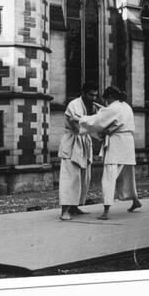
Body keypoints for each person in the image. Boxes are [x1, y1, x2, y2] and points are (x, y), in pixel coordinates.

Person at [78, 86, 142, 220]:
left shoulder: (113, 108)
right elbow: (113, 118)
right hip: (128, 143)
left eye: (106, 99)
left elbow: (98, 121)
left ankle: (106, 211)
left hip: (117, 144)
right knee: (128, 175)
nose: (105, 102)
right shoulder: (126, 106)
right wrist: (103, 110)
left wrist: (80, 119)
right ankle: (135, 200)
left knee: (109, 176)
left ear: (110, 97)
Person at [57, 81, 99, 221]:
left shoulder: (92, 106)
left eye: (95, 95)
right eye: (91, 95)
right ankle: (65, 211)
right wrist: (93, 125)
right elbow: (76, 127)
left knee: (83, 177)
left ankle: (74, 206)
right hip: (72, 142)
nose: (93, 98)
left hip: (85, 142)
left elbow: (94, 123)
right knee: (69, 178)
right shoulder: (73, 105)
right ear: (83, 93)